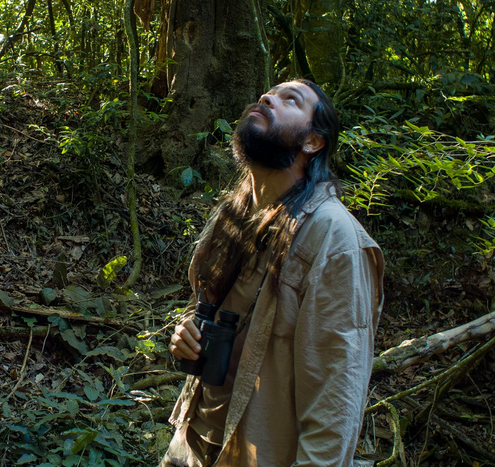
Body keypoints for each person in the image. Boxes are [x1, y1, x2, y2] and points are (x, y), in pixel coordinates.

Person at [162, 79, 384, 467]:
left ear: (313, 142)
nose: (267, 98)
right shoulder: (237, 212)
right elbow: (218, 307)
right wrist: (188, 334)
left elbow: (337, 399)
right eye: (269, 93)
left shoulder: (334, 239)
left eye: (290, 100)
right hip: (193, 440)